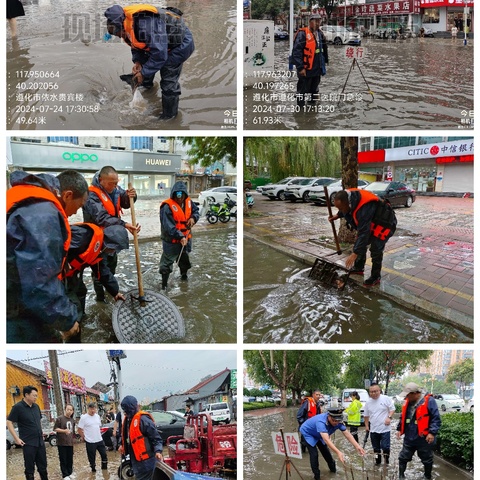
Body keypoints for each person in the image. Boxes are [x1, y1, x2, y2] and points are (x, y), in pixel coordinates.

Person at [7, 170, 88, 343]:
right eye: (79, 206)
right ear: (67, 195)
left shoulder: (26, 200)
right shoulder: (42, 214)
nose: (75, 213)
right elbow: (40, 280)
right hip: (15, 311)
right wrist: (67, 319)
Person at [104, 4, 195, 120]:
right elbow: (136, 44)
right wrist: (137, 62)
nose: (119, 37)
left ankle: (169, 117)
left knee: (168, 82)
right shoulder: (127, 25)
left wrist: (144, 72)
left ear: (121, 26)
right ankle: (147, 86)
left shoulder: (146, 26)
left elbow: (160, 55)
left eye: (118, 34)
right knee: (144, 67)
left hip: (178, 46)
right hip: (159, 43)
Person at [82, 166, 140, 303]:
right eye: (111, 183)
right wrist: (124, 224)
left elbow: (125, 203)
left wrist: (131, 196)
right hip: (97, 238)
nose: (115, 186)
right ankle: (100, 299)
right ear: (101, 180)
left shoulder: (115, 188)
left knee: (111, 265)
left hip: (112, 236)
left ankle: (111, 290)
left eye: (116, 182)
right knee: (99, 269)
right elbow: (101, 217)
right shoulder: (91, 195)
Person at [328, 189, 397, 287]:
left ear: (348, 203)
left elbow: (364, 233)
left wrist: (355, 253)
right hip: (371, 221)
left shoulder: (364, 208)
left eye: (341, 208)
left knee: (376, 249)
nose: (341, 210)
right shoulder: (348, 198)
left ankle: (376, 277)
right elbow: (344, 209)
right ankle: (359, 268)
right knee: (360, 243)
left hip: (384, 224)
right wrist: (337, 216)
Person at [65, 223, 127, 329]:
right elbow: (54, 243)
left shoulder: (100, 250)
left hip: (72, 273)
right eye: (114, 249)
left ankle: (81, 319)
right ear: (108, 244)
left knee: (81, 291)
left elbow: (103, 272)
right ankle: (73, 327)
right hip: (57, 273)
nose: (113, 252)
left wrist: (115, 292)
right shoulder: (81, 236)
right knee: (74, 304)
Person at [300, 408, 365, 479]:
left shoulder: (339, 422)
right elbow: (327, 440)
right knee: (314, 454)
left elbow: (347, 434)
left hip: (321, 434)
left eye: (338, 421)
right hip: (309, 433)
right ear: (329, 416)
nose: (336, 423)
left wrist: (357, 446)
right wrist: (338, 452)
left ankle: (333, 471)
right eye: (334, 420)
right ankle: (317, 476)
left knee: (326, 452)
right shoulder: (321, 422)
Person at [159, 181, 199, 290]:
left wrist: (193, 218)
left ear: (185, 194)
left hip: (185, 239)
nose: (180, 198)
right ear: (173, 194)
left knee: (184, 260)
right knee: (166, 264)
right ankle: (164, 286)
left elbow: (196, 211)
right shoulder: (167, 206)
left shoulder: (189, 202)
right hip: (171, 241)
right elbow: (168, 226)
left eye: (182, 195)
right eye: (177, 195)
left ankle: (184, 278)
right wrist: (180, 236)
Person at [396, 383, 441, 480]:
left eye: (408, 395)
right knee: (403, 457)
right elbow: (403, 417)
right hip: (409, 436)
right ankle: (401, 476)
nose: (406, 397)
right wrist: (399, 429)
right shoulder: (408, 402)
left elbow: (436, 418)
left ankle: (427, 476)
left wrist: (432, 433)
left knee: (427, 459)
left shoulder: (429, 401)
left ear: (415, 393)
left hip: (423, 437)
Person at [7, 386, 49, 480]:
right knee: (30, 469)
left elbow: (39, 422)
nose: (36, 397)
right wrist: (16, 439)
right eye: (34, 395)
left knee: (43, 467)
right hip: (28, 443)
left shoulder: (36, 406)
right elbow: (9, 422)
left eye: (36, 396)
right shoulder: (18, 407)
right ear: (26, 395)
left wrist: (41, 433)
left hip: (40, 442)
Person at [120, 395, 164, 480]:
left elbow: (156, 438)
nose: (125, 412)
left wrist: (158, 451)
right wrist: (122, 445)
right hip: (136, 460)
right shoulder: (129, 419)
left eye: (127, 410)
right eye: (124, 410)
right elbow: (128, 436)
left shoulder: (143, 420)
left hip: (146, 462)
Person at [291, 14, 328, 108]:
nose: (318, 23)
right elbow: (296, 52)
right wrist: (300, 67)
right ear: (310, 22)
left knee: (314, 90)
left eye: (319, 21)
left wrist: (325, 62)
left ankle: (312, 110)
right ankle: (300, 110)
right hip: (306, 69)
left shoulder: (320, 34)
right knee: (302, 91)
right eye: (315, 21)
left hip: (317, 68)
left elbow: (323, 49)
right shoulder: (302, 34)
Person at [364, 383, 395, 465]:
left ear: (379, 391)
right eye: (371, 392)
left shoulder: (386, 399)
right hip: (373, 429)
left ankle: (386, 462)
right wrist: (367, 426)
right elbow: (366, 416)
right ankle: (377, 462)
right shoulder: (368, 403)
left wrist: (389, 417)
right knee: (376, 448)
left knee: (385, 447)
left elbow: (392, 409)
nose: (373, 393)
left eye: (375, 391)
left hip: (385, 429)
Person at [77, 402, 108, 472]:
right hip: (90, 441)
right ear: (88, 409)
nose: (93, 410)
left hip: (99, 439)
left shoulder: (97, 416)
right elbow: (79, 429)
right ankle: (93, 470)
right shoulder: (84, 418)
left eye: (94, 409)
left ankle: (105, 470)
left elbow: (98, 427)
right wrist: (84, 437)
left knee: (104, 455)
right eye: (91, 409)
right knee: (92, 458)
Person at [297, 390, 328, 457]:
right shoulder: (307, 402)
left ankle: (310, 451)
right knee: (304, 442)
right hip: (306, 427)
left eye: (319, 395)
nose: (318, 396)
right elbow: (299, 416)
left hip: (314, 427)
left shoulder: (318, 404)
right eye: (317, 395)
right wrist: (303, 425)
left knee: (315, 442)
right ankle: (303, 453)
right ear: (313, 395)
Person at [53, 404, 76, 480]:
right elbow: (55, 429)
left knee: (70, 459)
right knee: (63, 459)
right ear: (65, 409)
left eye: (71, 410)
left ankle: (70, 473)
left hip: (70, 443)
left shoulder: (72, 420)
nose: (69, 411)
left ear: (73, 411)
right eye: (68, 409)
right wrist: (64, 431)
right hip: (61, 443)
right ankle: (65, 475)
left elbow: (73, 432)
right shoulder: (60, 418)